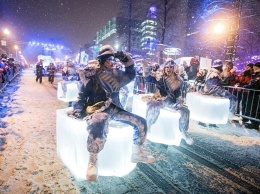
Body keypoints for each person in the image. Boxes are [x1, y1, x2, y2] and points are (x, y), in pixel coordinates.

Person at [70, 45, 155, 181]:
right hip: (96, 109)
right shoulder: (92, 75)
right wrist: (77, 109)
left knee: (141, 122)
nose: (112, 62)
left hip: (114, 108)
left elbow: (131, 74)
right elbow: (81, 96)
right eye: (109, 59)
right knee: (99, 122)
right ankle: (92, 161)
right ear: (102, 60)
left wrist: (125, 59)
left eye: (113, 59)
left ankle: (136, 152)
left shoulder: (116, 75)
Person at [142, 58, 194, 145]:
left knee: (185, 111)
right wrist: (145, 67)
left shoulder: (179, 80)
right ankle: (148, 128)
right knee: (153, 106)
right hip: (161, 99)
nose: (168, 69)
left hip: (172, 102)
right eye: (167, 67)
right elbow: (147, 79)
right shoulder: (160, 77)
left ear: (174, 68)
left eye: (171, 67)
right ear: (164, 68)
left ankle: (183, 132)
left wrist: (179, 99)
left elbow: (178, 93)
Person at [201, 59, 237, 127]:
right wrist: (225, 93)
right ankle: (206, 122)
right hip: (211, 93)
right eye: (221, 66)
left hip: (211, 93)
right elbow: (216, 87)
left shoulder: (214, 73)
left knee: (212, 108)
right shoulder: (214, 74)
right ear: (219, 66)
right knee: (212, 108)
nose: (222, 67)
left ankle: (211, 122)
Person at [243, 62, 260, 130]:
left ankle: (255, 124)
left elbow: (256, 84)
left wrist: (247, 86)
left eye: (255, 67)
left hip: (256, 95)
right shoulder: (256, 74)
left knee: (256, 109)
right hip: (253, 94)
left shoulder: (258, 75)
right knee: (253, 108)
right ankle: (253, 122)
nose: (254, 68)